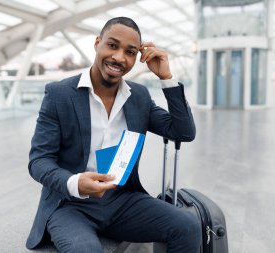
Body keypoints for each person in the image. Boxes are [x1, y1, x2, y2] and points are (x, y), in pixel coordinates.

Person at [26, 17, 200, 253]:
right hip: (71, 204)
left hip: (123, 200)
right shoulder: (60, 94)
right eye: (112, 45)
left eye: (130, 52)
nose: (119, 58)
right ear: (98, 43)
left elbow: (183, 132)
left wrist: (166, 78)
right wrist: (75, 182)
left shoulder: (138, 96)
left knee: (187, 225)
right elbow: (39, 161)